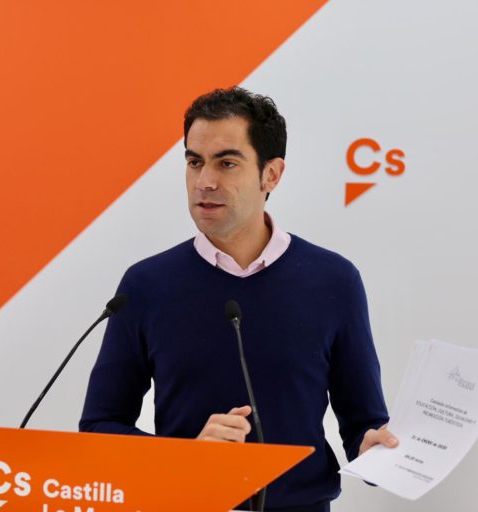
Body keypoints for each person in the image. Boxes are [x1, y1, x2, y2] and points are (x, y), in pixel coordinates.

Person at [80, 87, 397, 511]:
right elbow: (99, 428)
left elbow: (363, 424)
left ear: (272, 175)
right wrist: (185, 458)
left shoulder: (334, 281)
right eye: (195, 162)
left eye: (227, 163)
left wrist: (375, 450)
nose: (205, 182)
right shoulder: (145, 285)